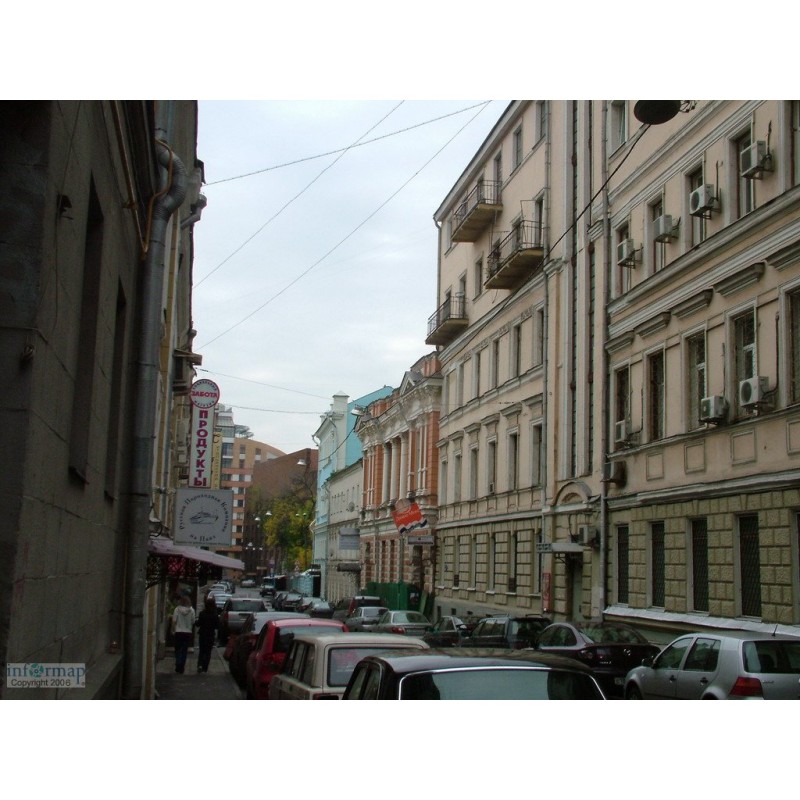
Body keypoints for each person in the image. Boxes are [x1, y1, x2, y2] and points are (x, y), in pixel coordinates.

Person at [172, 594, 196, 674]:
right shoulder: (192, 610)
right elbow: (193, 621)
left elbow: (174, 620)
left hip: (178, 631)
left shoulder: (177, 609)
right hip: (187, 632)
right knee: (184, 650)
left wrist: (173, 629)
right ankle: (182, 666)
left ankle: (178, 664)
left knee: (178, 649)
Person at [195, 596, 219, 673]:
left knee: (201, 651)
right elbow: (217, 626)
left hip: (202, 634)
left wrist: (195, 622)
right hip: (210, 635)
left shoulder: (202, 613)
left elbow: (198, 623)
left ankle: (200, 665)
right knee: (208, 651)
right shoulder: (215, 615)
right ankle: (205, 667)